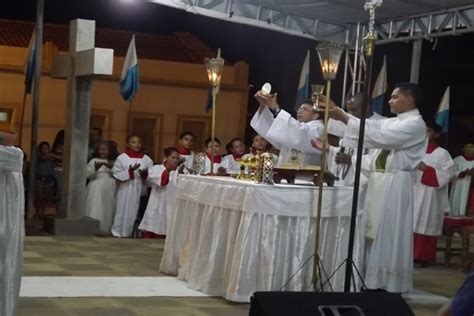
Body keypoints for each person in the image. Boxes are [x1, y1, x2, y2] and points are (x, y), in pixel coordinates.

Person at [321, 82, 427, 293]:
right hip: (379, 182)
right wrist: (340, 114)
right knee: (372, 233)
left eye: (395, 97)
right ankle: (368, 278)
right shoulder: (394, 122)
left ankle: (387, 282)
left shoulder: (416, 124)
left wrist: (342, 115)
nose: (389, 100)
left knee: (388, 234)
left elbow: (381, 138)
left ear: (410, 99)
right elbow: (374, 133)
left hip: (395, 184)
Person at [412, 121, 454, 266]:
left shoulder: (442, 154)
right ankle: (408, 255)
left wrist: (426, 170)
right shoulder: (414, 150)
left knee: (426, 223)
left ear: (436, 134)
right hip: (414, 191)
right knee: (411, 223)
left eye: (428, 131)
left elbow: (448, 174)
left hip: (431, 195)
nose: (425, 134)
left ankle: (423, 258)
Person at [325, 93, 385, 186]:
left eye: (354, 110)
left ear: (367, 108)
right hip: (346, 179)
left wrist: (351, 159)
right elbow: (346, 147)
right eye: (348, 110)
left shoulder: (382, 124)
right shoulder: (350, 123)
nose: (350, 114)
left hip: (367, 183)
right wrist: (331, 149)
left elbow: (377, 157)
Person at [251, 94, 323, 168]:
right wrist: (263, 105)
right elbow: (273, 129)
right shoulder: (295, 127)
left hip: (305, 176)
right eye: (299, 109)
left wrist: (275, 107)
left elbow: (299, 132)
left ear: (315, 115)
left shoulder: (318, 129)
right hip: (284, 172)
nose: (299, 111)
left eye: (304, 109)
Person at [111, 134, 154, 237]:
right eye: (133, 142)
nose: (136, 144)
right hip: (124, 188)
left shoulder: (146, 159)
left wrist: (145, 175)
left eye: (139, 142)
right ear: (127, 144)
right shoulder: (122, 157)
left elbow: (151, 174)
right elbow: (116, 172)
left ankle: (130, 232)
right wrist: (129, 171)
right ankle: (117, 231)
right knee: (121, 209)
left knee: (134, 211)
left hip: (138, 188)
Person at [139, 147, 184, 238]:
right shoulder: (157, 168)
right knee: (154, 227)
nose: (175, 160)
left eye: (177, 158)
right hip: (157, 201)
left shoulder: (180, 171)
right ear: (166, 157)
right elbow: (161, 182)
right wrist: (168, 170)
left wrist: (181, 173)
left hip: (171, 202)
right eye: (173, 157)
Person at [85, 141, 119, 235]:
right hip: (95, 185)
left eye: (104, 149)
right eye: (100, 149)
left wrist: (111, 168)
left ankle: (106, 227)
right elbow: (87, 175)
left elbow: (119, 174)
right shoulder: (93, 160)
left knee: (107, 206)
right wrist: (95, 169)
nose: (102, 151)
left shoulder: (115, 161)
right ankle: (92, 227)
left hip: (109, 186)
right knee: (94, 205)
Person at [449, 143, 474, 216]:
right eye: (467, 147)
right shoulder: (457, 160)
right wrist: (463, 173)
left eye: (472, 147)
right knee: (457, 202)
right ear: (463, 149)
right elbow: (451, 172)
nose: (469, 149)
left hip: (471, 187)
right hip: (459, 185)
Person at [34, 142, 56, 220]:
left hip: (48, 178)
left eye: (46, 148)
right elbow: (44, 158)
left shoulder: (52, 156)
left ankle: (42, 213)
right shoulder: (38, 156)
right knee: (39, 197)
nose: (45, 150)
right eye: (43, 148)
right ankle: (37, 213)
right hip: (40, 178)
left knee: (45, 197)